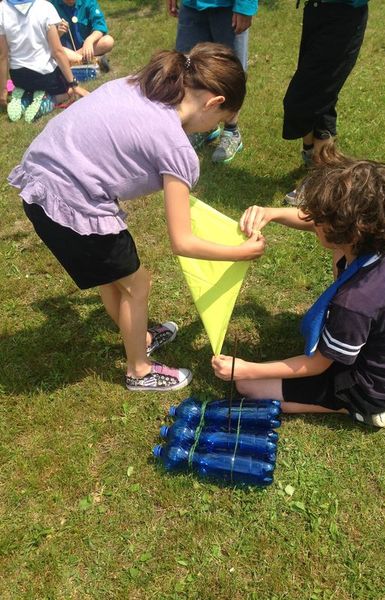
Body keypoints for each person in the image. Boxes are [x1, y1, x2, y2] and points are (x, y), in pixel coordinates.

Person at [8, 43, 265, 393]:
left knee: (112, 274)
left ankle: (139, 336)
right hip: (69, 201)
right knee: (136, 283)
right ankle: (140, 371)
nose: (211, 128)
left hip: (40, 179)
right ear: (214, 103)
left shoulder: (142, 83)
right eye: (219, 122)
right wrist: (242, 253)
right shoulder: (175, 147)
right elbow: (182, 241)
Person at [212, 159, 385, 428]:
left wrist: (246, 369)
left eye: (318, 218)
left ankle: (353, 408)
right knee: (338, 254)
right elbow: (325, 225)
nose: (310, 219)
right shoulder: (378, 242)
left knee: (249, 387)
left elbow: (316, 365)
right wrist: (272, 213)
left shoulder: (355, 302)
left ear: (346, 230)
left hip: (374, 389)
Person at [283, 0, 369, 205]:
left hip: (345, 14)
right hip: (317, 9)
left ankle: (320, 179)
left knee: (303, 98)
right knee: (321, 95)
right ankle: (316, 162)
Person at [167, 0, 257, 163]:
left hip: (228, 7)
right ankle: (202, 128)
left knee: (229, 73)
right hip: (191, 5)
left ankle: (231, 131)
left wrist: (246, 6)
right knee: (186, 68)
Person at [0, 0, 87, 122]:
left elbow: (2, 56)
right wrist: (73, 84)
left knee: (29, 85)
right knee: (68, 91)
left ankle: (24, 99)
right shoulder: (45, 7)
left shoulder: (2, 9)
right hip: (45, 76)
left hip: (19, 77)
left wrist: (3, 90)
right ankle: (48, 101)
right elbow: (57, 51)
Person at [50, 0, 114, 72]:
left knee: (108, 41)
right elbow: (47, 41)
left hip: (85, 49)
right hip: (64, 50)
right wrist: (58, 33)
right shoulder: (51, 6)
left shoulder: (89, 2)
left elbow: (99, 26)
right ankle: (93, 62)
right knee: (51, 50)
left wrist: (89, 40)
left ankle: (72, 61)